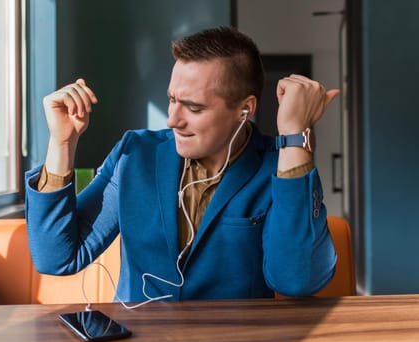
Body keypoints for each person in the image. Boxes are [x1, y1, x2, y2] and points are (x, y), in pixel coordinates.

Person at [25, 26, 338, 303]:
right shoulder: (135, 154)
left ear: (245, 109)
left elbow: (296, 280)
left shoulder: (278, 167)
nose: (173, 120)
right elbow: (57, 258)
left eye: (193, 107)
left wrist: (294, 135)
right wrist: (61, 144)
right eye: (173, 99)